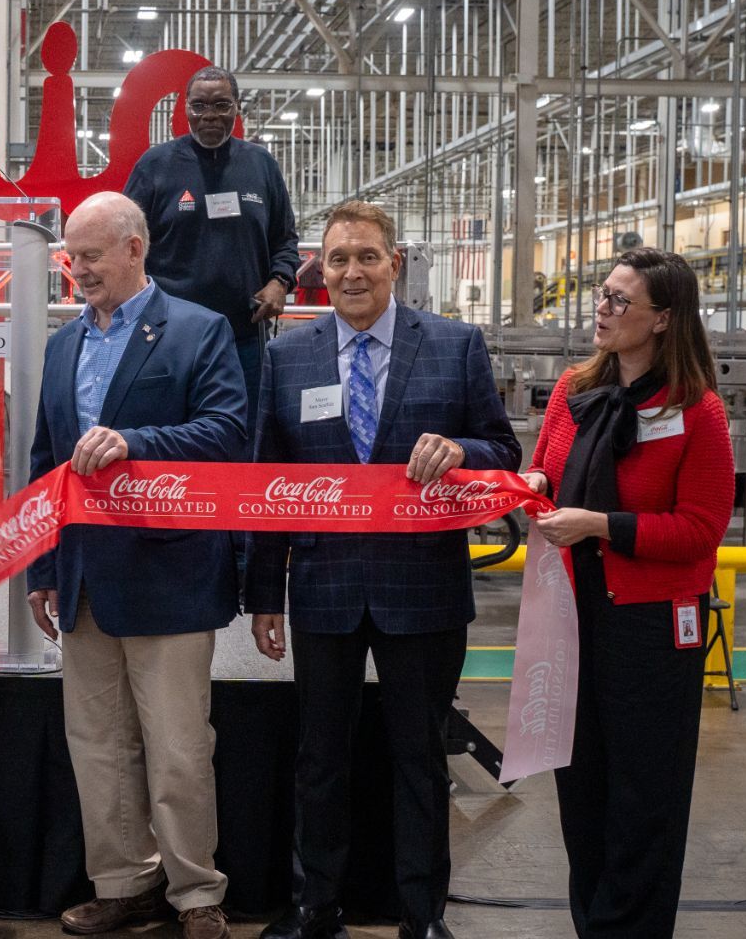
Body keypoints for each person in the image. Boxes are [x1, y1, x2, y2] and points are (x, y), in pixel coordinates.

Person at [248, 201, 520, 939]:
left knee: (420, 762)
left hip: (423, 590)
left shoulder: (456, 346)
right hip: (324, 589)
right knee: (320, 761)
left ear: (395, 263)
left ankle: (422, 915)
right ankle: (316, 907)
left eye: (367, 256)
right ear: (318, 271)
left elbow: (504, 452)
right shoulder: (286, 358)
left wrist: (464, 453)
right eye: (337, 259)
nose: (352, 272)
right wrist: (263, 593)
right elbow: (269, 483)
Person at [24, 191, 251, 939]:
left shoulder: (198, 331)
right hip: (85, 579)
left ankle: (196, 894)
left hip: (171, 578)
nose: (77, 268)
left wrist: (135, 441)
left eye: (90, 255)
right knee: (98, 747)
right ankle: (124, 884)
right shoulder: (63, 346)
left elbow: (225, 433)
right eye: (70, 255)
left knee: (181, 749)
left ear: (134, 248)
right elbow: (46, 465)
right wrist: (43, 569)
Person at [523, 248, 734, 938]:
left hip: (649, 627)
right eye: (601, 294)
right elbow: (544, 472)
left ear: (663, 320)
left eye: (619, 301)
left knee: (645, 798)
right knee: (580, 788)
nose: (602, 308)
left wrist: (600, 526)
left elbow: (700, 531)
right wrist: (532, 488)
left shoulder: (696, 412)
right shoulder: (572, 392)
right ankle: (595, 924)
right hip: (571, 613)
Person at [121, 64, 300, 395]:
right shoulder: (155, 166)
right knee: (172, 433)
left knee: (243, 433)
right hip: (169, 336)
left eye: (222, 105)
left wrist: (279, 282)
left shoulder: (261, 166)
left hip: (244, 335)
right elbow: (125, 243)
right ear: (186, 108)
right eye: (199, 106)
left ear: (236, 107)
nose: (210, 116)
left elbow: (285, 239)